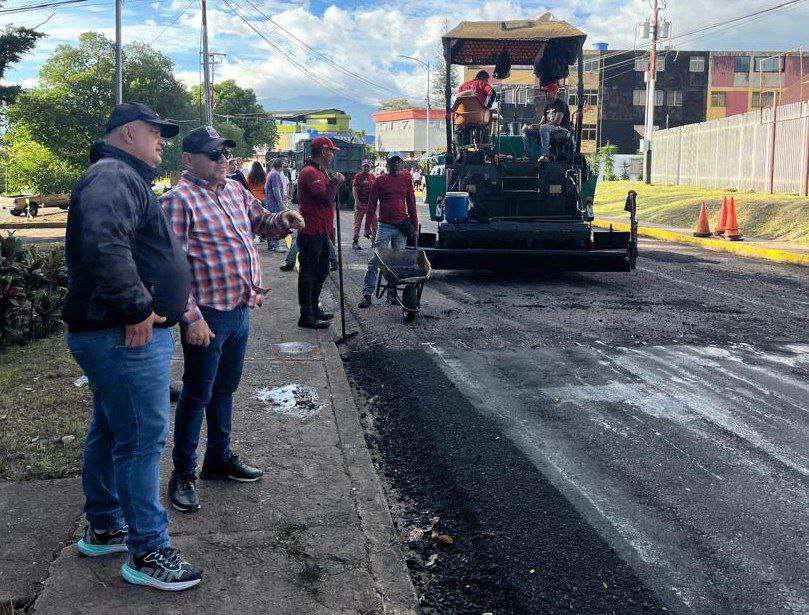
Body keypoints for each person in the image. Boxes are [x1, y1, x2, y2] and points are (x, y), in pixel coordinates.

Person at [63, 102, 202, 591]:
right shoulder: (113, 177)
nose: (161, 140)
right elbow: (105, 244)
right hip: (121, 333)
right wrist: (138, 307)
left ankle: (103, 524)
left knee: (110, 428)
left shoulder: (123, 177)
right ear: (126, 135)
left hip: (113, 331)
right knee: (142, 441)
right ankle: (148, 552)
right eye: (154, 132)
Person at [161, 127, 304, 514]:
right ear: (188, 160)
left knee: (225, 390)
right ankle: (183, 473)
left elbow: (263, 222)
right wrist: (190, 318)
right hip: (206, 316)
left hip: (239, 310)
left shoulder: (236, 191)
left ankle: (218, 459)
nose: (222, 160)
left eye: (224, 153)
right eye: (213, 155)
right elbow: (171, 269)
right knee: (197, 393)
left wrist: (285, 219)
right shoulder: (178, 201)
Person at [295, 136, 345, 329]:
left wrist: (334, 183)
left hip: (321, 230)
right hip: (311, 230)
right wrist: (333, 183)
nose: (332, 155)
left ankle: (313, 308)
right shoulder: (310, 172)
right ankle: (306, 314)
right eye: (331, 151)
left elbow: (328, 200)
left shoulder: (320, 172)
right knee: (309, 272)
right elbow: (325, 199)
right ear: (324, 152)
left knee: (322, 270)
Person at [358, 152, 418, 308]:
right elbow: (371, 205)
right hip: (384, 226)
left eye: (398, 161)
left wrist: (415, 226)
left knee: (396, 264)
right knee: (375, 261)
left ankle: (392, 294)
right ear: (388, 163)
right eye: (393, 161)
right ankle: (367, 294)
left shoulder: (406, 179)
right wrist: (367, 227)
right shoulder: (380, 181)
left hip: (401, 227)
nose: (396, 164)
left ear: (402, 163)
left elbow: (411, 203)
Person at [525, 82, 572, 160]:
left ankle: (545, 155)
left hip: (562, 130)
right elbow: (542, 122)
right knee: (526, 130)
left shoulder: (561, 104)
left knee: (544, 128)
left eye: (548, 92)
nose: (546, 94)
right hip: (548, 129)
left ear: (554, 93)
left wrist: (541, 126)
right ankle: (528, 155)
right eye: (545, 92)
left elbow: (557, 121)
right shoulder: (547, 107)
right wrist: (532, 126)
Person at [264, 158, 289, 252]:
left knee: (272, 224)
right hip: (275, 205)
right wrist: (281, 205)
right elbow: (276, 191)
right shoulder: (275, 175)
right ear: (281, 165)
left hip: (271, 203)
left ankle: (272, 245)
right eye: (284, 164)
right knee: (277, 224)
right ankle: (276, 246)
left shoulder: (271, 173)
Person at [351, 159, 375, 250]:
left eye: (368, 166)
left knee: (374, 223)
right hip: (360, 204)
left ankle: (374, 241)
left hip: (370, 205)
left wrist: (375, 203)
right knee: (358, 223)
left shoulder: (372, 176)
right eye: (364, 166)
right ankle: (355, 242)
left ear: (370, 167)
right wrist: (357, 201)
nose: (366, 167)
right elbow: (355, 189)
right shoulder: (359, 176)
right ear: (362, 167)